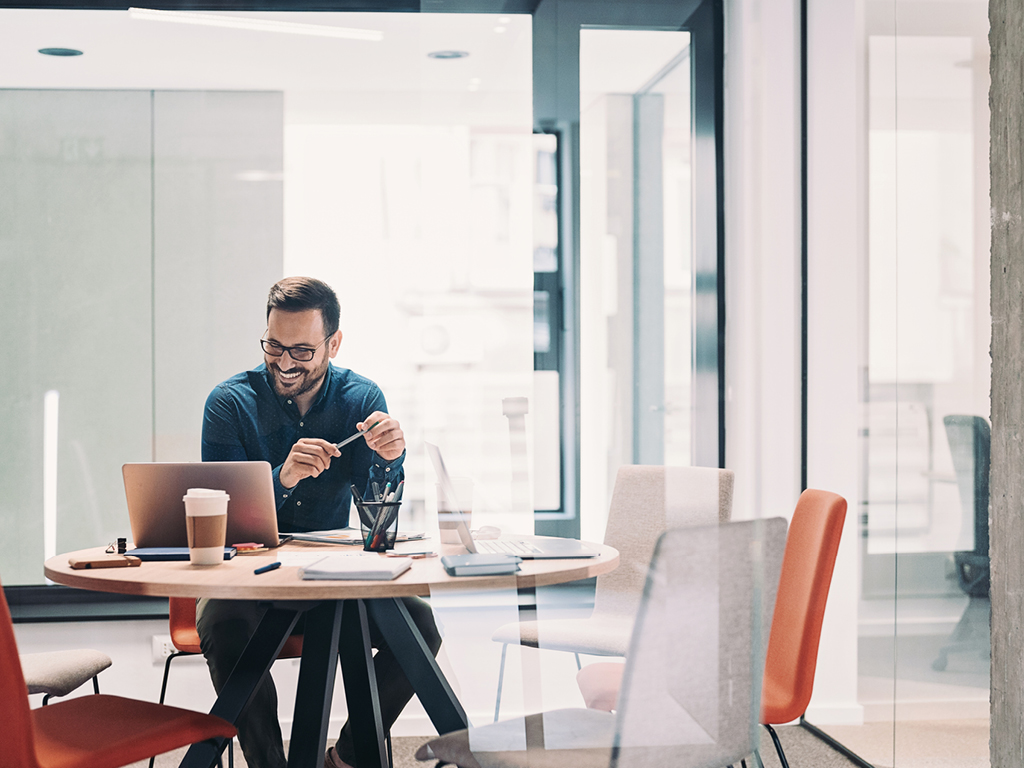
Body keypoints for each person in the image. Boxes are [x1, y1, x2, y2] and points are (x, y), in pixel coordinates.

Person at [198, 276, 440, 768]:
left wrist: (391, 462)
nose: (285, 363)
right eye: (274, 346)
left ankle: (345, 758)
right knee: (223, 626)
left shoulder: (362, 398)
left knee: (420, 627)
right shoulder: (228, 404)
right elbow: (218, 522)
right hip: (249, 584)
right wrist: (282, 478)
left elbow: (378, 527)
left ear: (334, 343)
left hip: (333, 581)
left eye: (302, 351)